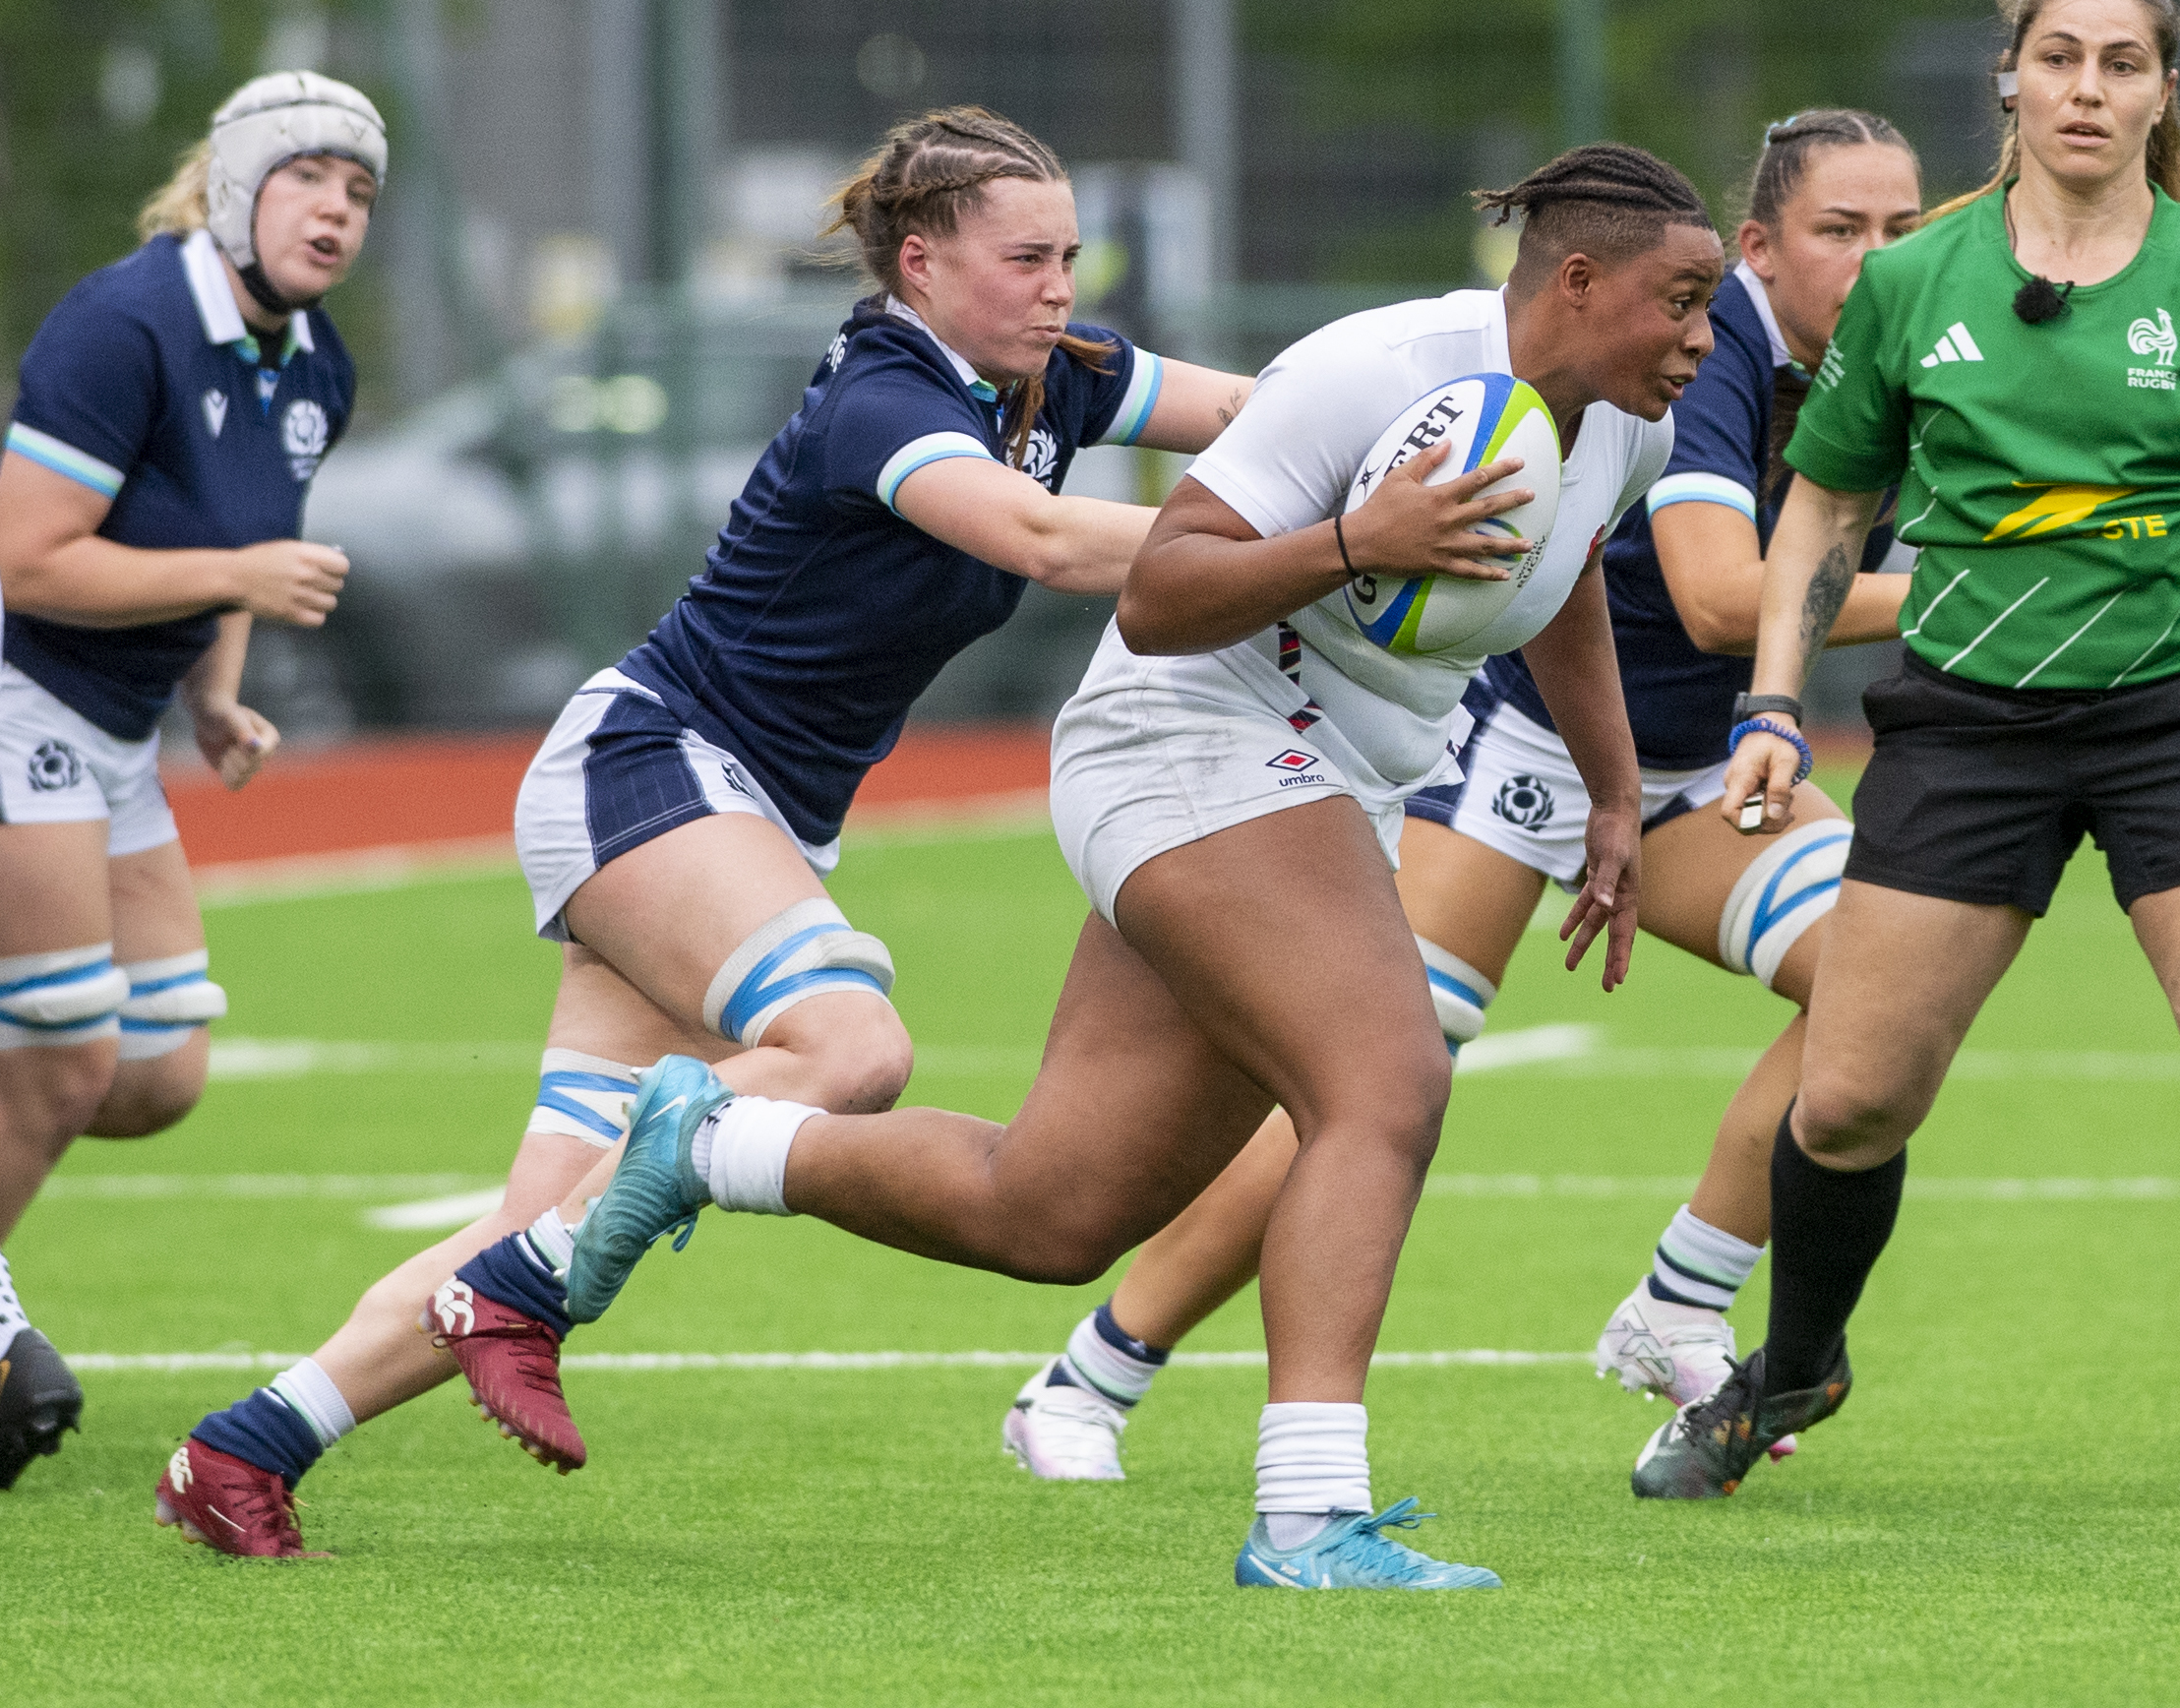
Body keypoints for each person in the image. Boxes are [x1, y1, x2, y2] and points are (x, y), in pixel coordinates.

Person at [552, 144, 1720, 1591]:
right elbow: (1166, 590)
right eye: (1682, 301)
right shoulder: (1376, 368)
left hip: (1321, 780)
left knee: (1052, 1209)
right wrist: (1358, 536)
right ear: (1580, 278)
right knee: (1388, 1077)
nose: (1701, 340)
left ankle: (712, 1144)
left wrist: (1615, 788)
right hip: (1184, 731)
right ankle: (1306, 1517)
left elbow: (1565, 581)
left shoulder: (1624, 427)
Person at [152, 106, 1253, 1557]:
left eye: (1070, 256)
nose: (1062, 285)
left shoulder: (1058, 376)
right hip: (650, 769)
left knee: (538, 1235)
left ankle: (244, 1448)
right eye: (1028, 257)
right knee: (852, 1049)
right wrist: (1328, 555)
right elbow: (1047, 545)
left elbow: (1261, 414)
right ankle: (517, 1290)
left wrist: (1438, 400)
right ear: (919, 264)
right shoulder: (887, 397)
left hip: (733, 812)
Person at [997, 110, 1925, 1486]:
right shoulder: (1697, 346)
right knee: (1364, 1072)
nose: (1879, 258)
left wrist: (1642, 781)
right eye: (1843, 230)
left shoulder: (1888, 359)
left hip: (1679, 769)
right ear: (1755, 251)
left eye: (1905, 229)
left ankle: (1677, 1298)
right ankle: (1098, 1371)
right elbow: (1718, 594)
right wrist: (1971, 600)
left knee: (1884, 994)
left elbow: (1578, 572)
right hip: (1495, 761)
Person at [1634, 0, 2180, 1511]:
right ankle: (1789, 1371)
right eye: (2060, 57)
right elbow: (1828, 510)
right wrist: (1776, 699)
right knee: (1848, 1098)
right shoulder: (1918, 278)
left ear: (2162, 93)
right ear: (2013, 80)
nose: (2087, 88)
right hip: (1969, 727)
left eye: (2123, 64)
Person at [0, 74, 381, 1490]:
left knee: (158, 1072)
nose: (337, 210)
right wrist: (235, 579)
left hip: (117, 726)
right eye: (307, 179)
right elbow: (27, 558)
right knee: (60, 1051)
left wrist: (215, 696)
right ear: (232, 189)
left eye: (358, 192)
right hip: (19, 690)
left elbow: (240, 534)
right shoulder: (125, 322)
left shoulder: (312, 366)